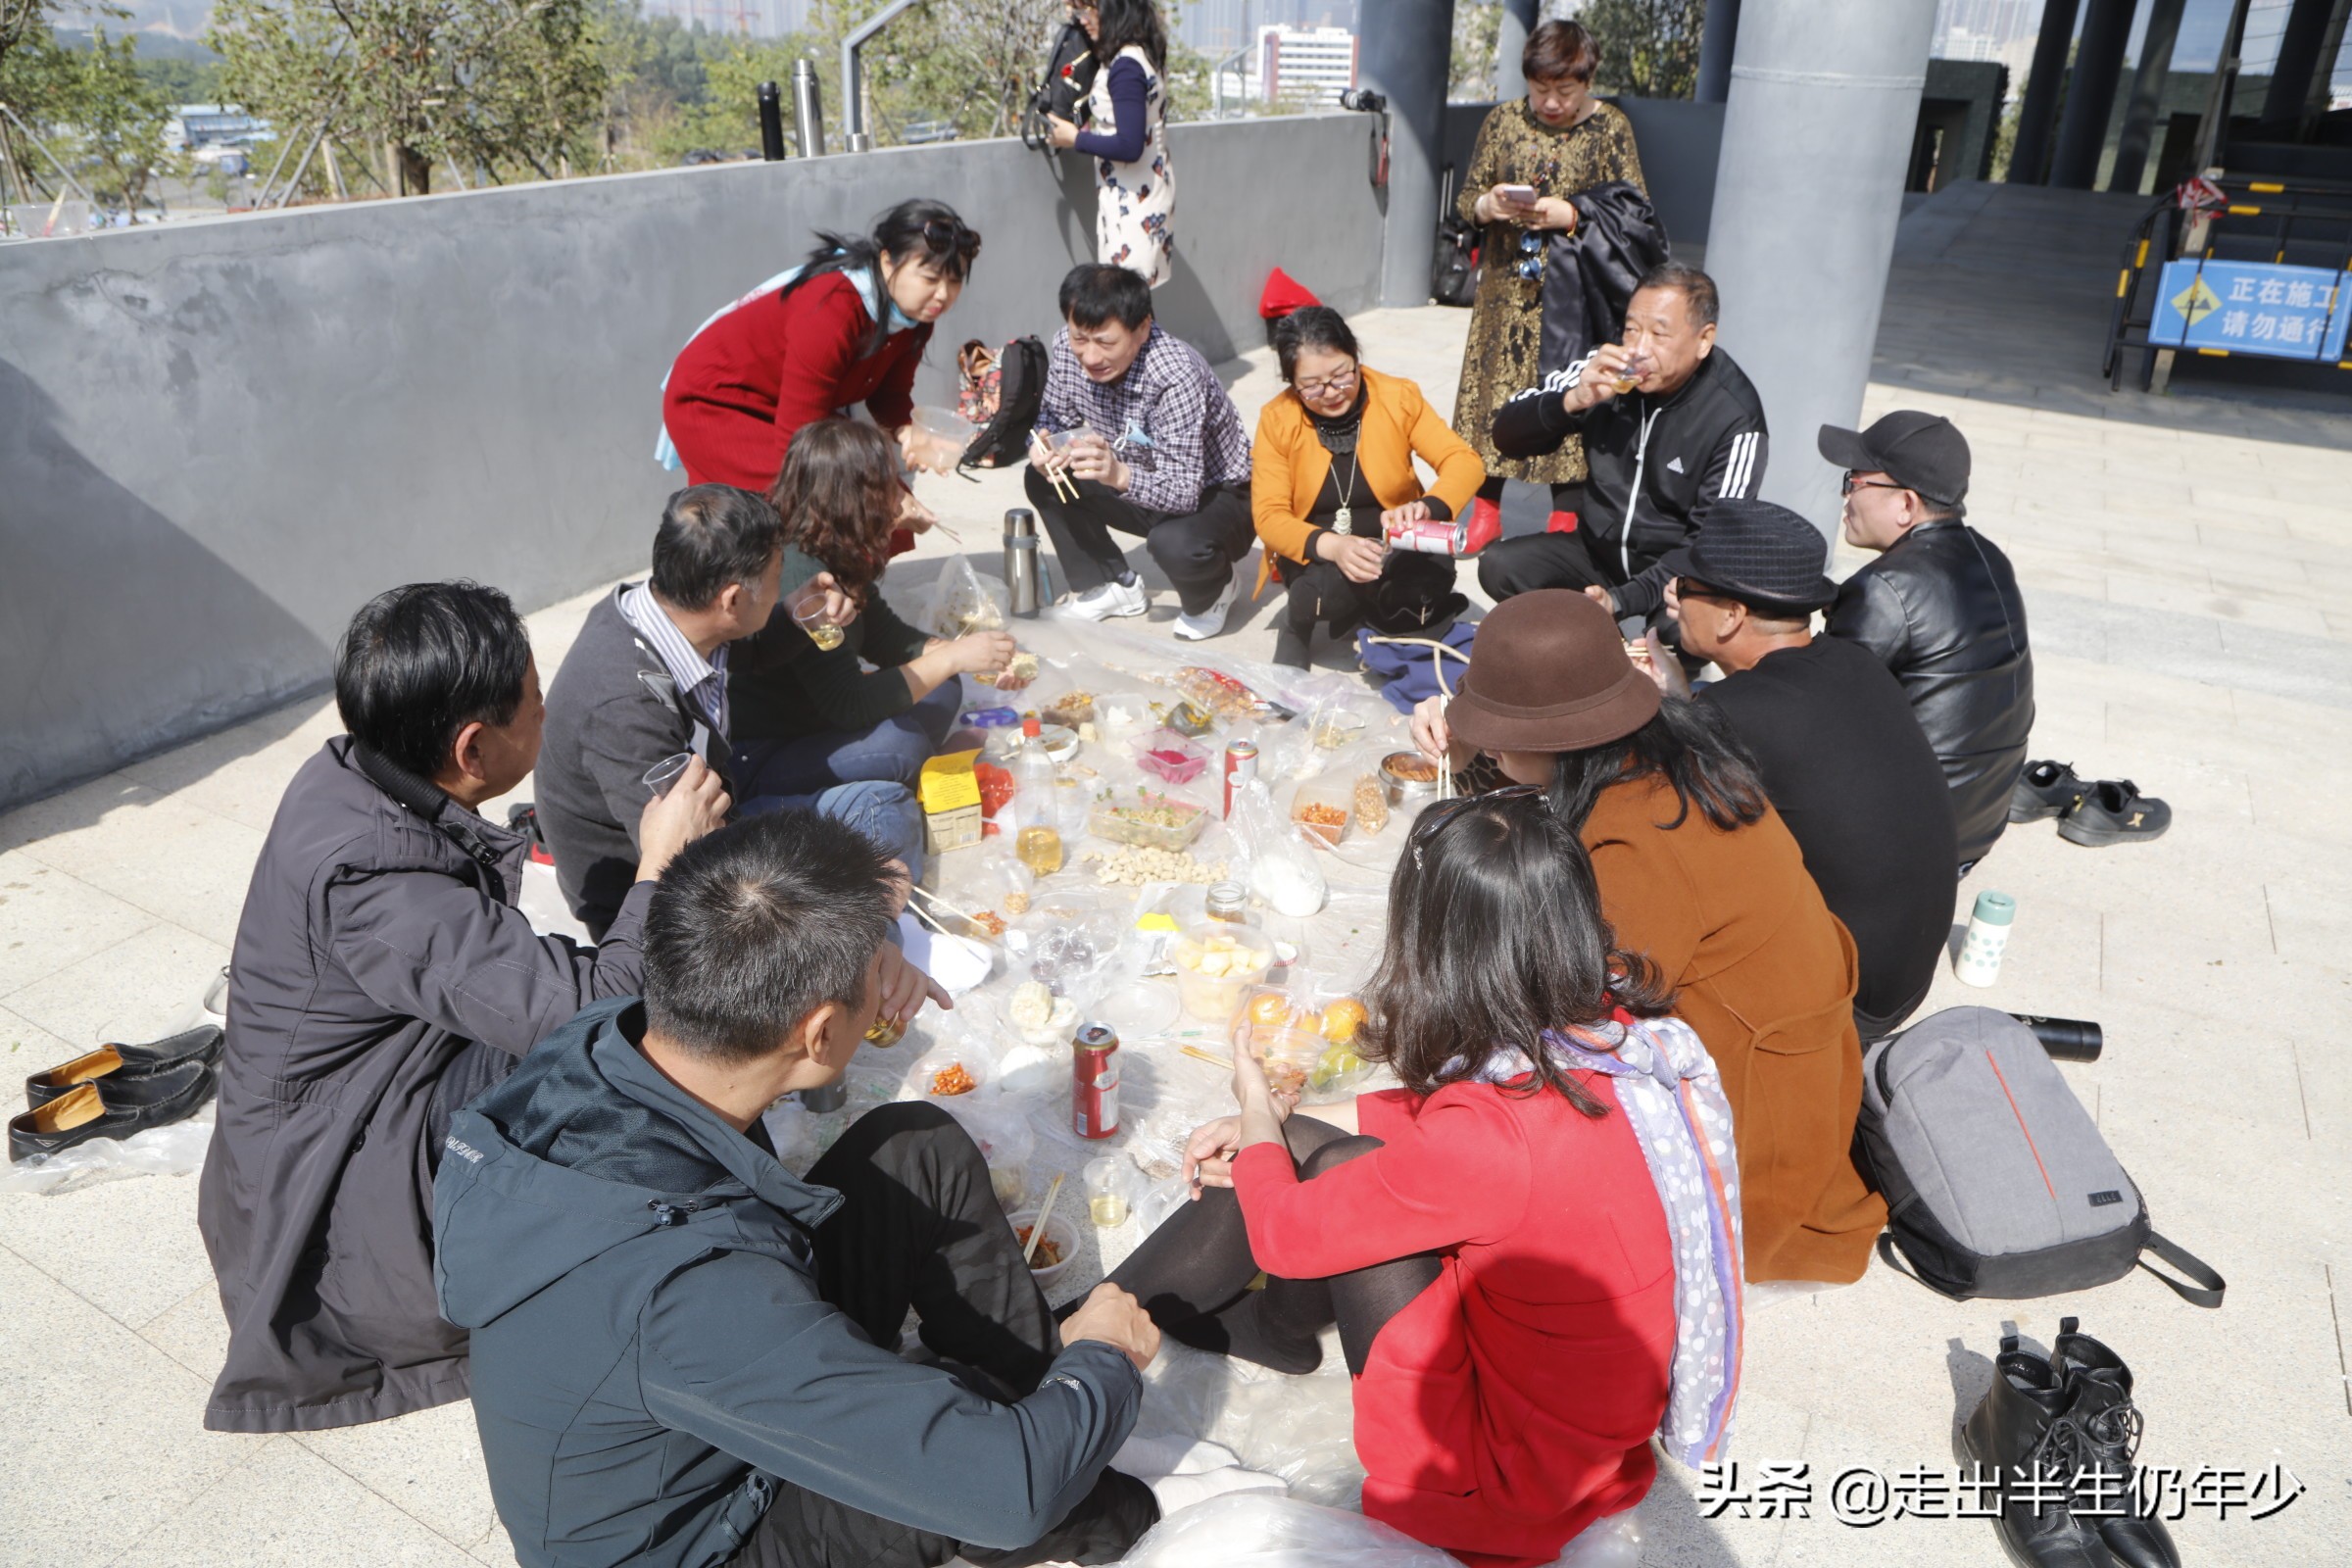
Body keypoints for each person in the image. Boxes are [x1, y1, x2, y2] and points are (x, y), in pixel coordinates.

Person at [436, 810, 1275, 1568]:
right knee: (980, 1473)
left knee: (919, 1148)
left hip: (691, 1378)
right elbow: (1002, 1496)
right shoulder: (689, 1294)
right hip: (702, 1532)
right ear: (823, 1031)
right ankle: (1127, 1517)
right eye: (876, 972)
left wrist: (852, 952)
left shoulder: (606, 1041)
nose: (889, 980)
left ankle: (1044, 1407)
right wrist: (1105, 1360)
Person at [1107, 790, 1741, 1568]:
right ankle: (1269, 1331)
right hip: (1583, 1429)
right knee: (1319, 1142)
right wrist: (1283, 1122)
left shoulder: (1490, 1139)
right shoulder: (1613, 1036)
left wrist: (1254, 1108)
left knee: (1323, 1168)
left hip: (1499, 1478)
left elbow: (1289, 1232)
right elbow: (1457, 1131)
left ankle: (1088, 1329)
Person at [198, 581, 726, 1434]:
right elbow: (595, 1007)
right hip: (326, 1224)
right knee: (620, 1061)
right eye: (534, 701)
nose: (548, 713)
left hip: (340, 1121)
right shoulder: (377, 882)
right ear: (473, 748)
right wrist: (661, 867)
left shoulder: (351, 773)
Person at [1411, 590, 1886, 1285]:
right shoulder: (1660, 749)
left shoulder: (1635, 846)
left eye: (1496, 729)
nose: (1486, 741)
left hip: (1756, 1113)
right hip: (1792, 1044)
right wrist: (1479, 742)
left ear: (1548, 741)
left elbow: (1574, 1007)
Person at [1638, 500, 1958, 1042]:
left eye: (1685, 588)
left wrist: (1661, 713)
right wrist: (1685, 700)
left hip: (1845, 1007)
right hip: (1907, 972)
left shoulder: (1737, 715)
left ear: (1731, 615)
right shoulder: (1854, 662)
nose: (1674, 600)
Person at [536, 484, 912, 937]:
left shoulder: (668, 609)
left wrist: (795, 612)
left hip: (722, 801)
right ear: (732, 600)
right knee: (871, 884)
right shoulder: (624, 710)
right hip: (670, 907)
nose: (784, 586)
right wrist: (840, 884)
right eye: (780, 578)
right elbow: (698, 873)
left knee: (886, 806)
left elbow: (746, 650)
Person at [658, 198, 980, 558]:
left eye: (954, 281)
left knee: (863, 497)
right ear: (888, 260)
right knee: (818, 507)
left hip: (784, 408)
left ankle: (840, 604)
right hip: (716, 401)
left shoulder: (914, 319)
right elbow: (800, 439)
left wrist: (908, 432)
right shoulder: (834, 307)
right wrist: (886, 498)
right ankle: (797, 605)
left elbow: (888, 394)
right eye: (931, 278)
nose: (942, 295)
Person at [728, 418, 1016, 814]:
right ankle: (919, 767)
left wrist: (970, 656)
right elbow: (849, 704)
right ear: (852, 498)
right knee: (904, 744)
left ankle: (920, 765)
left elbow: (890, 639)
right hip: (768, 754)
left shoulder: (834, 548)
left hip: (818, 721)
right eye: (886, 485)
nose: (897, 498)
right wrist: (952, 657)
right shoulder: (801, 573)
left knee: (943, 683)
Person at [1480, 264, 1767, 637]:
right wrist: (1574, 399)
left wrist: (1619, 600)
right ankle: (1584, 647)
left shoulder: (1735, 417)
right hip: (1597, 548)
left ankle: (1646, 665)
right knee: (1499, 566)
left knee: (1684, 627)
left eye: (1659, 334)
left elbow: (1710, 543)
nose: (1639, 349)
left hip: (1673, 569)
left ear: (1703, 339)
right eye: (1631, 329)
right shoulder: (1605, 369)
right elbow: (1505, 436)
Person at [1451, 20, 1653, 547]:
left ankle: (1563, 523)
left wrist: (1572, 213)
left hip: (1573, 299)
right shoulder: (1501, 121)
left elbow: (1636, 215)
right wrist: (1487, 204)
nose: (1551, 103)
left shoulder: (1611, 128)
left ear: (1587, 82)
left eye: (1564, 91)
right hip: (1504, 295)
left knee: (1571, 396)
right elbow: (1465, 199)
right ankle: (1487, 510)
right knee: (1492, 400)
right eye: (1540, 90)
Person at [1817, 411, 2034, 871]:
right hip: (1975, 824)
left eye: (1855, 482)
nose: (1845, 497)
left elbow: (1819, 717)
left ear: (1907, 505)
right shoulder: (1991, 557)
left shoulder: (1886, 587)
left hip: (1903, 843)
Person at [1249, 306, 1486, 667]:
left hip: (1394, 542)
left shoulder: (1397, 397)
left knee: (1428, 581)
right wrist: (1335, 547)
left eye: (1342, 375)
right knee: (1320, 595)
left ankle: (1379, 614)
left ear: (1356, 356)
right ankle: (1297, 626)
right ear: (1291, 383)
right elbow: (1268, 516)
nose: (1330, 392)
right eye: (1311, 386)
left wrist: (1430, 507)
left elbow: (1464, 461)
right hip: (1321, 552)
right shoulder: (1277, 419)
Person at [1027, 263, 1253, 639]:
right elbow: (1052, 417)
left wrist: (1116, 474)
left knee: (1173, 542)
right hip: (1133, 472)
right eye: (1079, 338)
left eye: (1105, 342)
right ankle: (1113, 584)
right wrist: (1042, 446)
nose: (1090, 356)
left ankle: (1217, 588)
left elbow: (1182, 490)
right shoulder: (1066, 349)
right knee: (1046, 478)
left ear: (1143, 328)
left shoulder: (1175, 373)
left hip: (1214, 493)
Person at [1047, 0, 1176, 288]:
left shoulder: (1126, 67)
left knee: (1124, 302)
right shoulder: (1141, 54)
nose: (1082, 20)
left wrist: (1074, 138)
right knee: (1131, 302)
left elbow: (1130, 145)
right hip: (1141, 193)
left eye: (1088, 10)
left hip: (1134, 202)